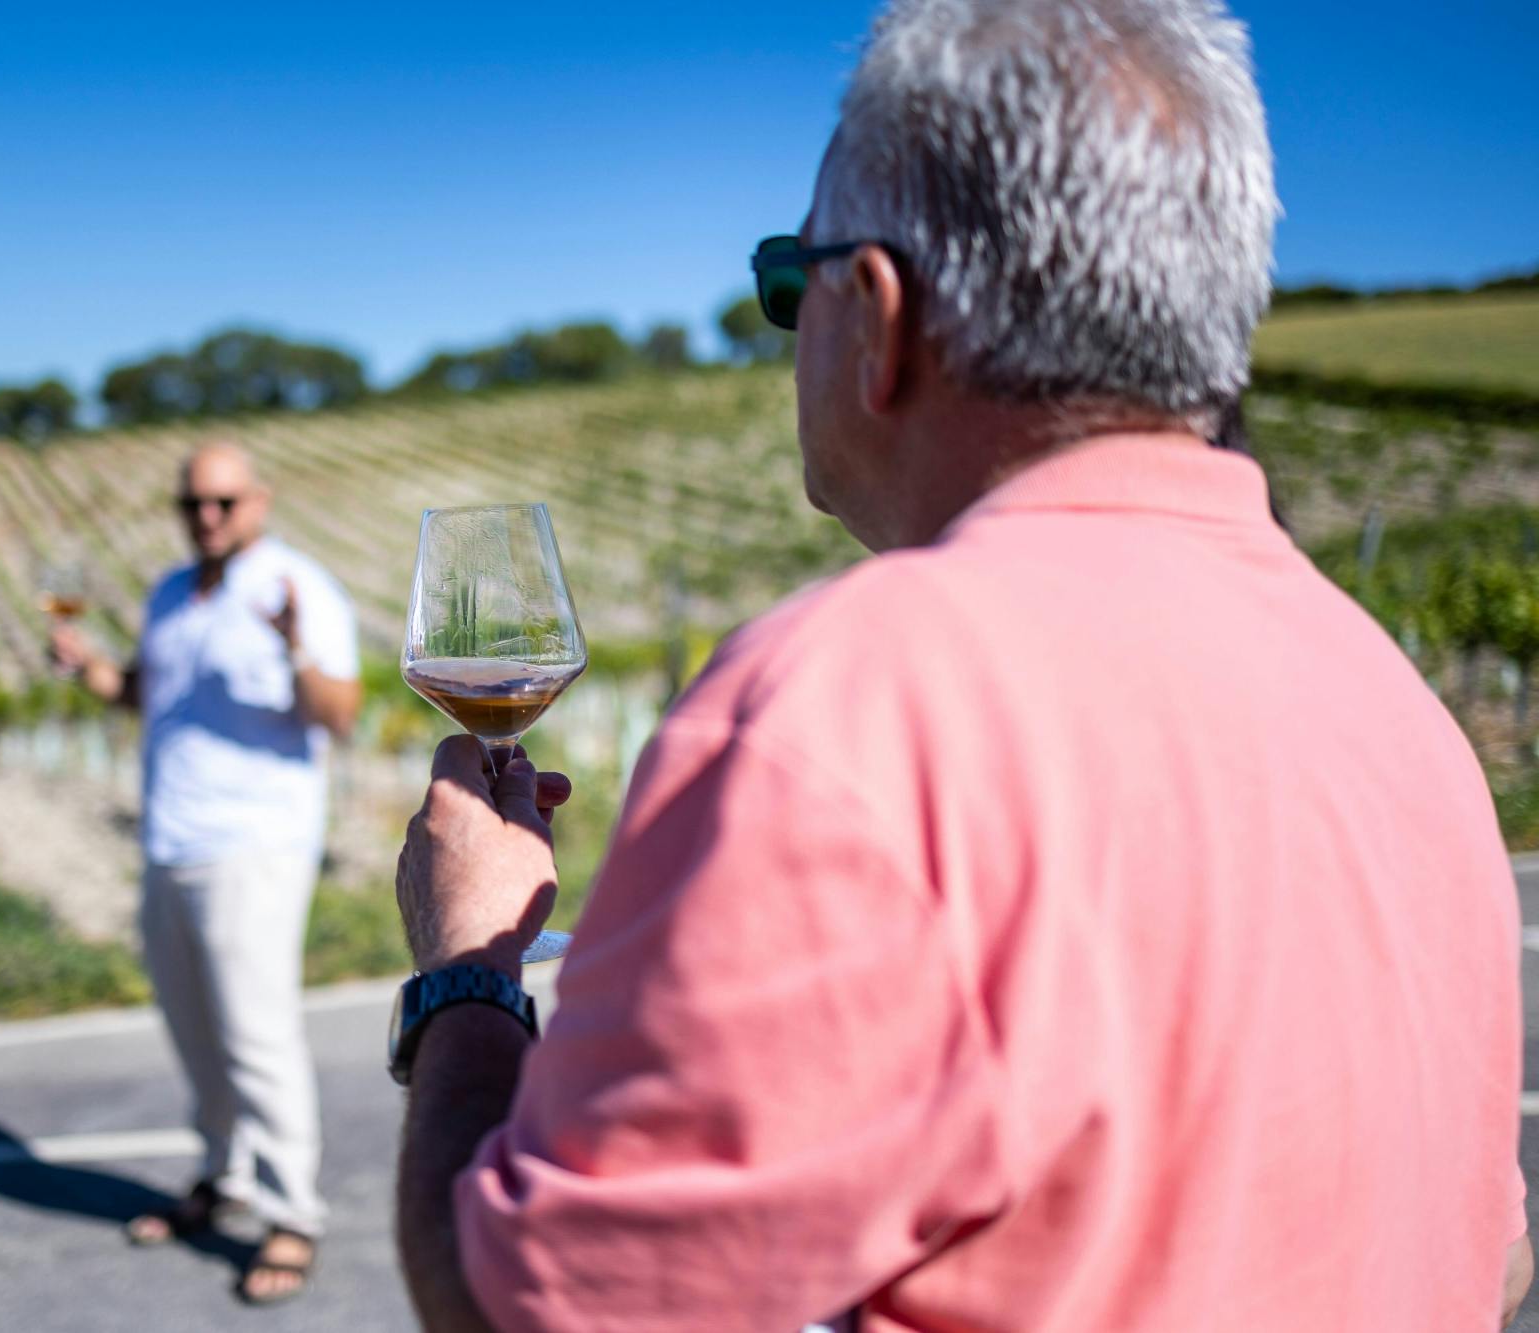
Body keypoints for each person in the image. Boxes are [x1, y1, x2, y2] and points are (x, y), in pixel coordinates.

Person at [387, 2, 1530, 1330]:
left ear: (876, 315)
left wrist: (467, 971)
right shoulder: (1400, 717)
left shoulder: (839, 717)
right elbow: (1487, 1251)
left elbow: (525, 1309)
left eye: (782, 282)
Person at [50, 441, 360, 1307]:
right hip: (169, 839)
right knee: (193, 1029)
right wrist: (89, 670)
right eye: (194, 503)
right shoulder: (170, 594)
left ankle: (293, 1211)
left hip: (256, 841)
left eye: (224, 501)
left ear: (259, 500)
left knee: (256, 1036)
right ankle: (221, 1176)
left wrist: (297, 649)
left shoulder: (296, 587)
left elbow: (339, 712)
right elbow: (144, 693)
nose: (208, 516)